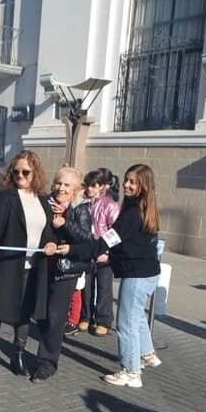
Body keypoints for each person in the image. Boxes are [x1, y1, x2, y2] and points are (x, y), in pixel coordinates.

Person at [58, 164, 162, 388]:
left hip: (137, 276)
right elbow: (127, 244)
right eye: (126, 180)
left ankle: (131, 372)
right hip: (146, 273)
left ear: (144, 185)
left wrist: (72, 250)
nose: (126, 184)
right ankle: (147, 354)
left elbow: (105, 242)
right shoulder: (137, 207)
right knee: (137, 316)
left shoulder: (132, 214)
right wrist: (108, 253)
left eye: (132, 182)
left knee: (126, 324)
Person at [0, 150, 57, 381]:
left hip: (33, 266)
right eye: (16, 172)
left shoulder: (43, 200)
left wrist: (52, 242)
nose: (20, 176)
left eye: (25, 172)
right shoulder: (7, 196)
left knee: (23, 314)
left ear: (35, 173)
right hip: (7, 264)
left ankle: (18, 355)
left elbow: (50, 231)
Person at [30, 167, 93, 381]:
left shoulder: (80, 210)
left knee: (56, 317)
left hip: (66, 270)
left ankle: (47, 363)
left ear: (75, 189)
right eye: (58, 183)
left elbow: (87, 240)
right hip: (42, 265)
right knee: (41, 314)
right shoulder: (44, 203)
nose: (61, 188)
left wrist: (65, 225)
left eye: (67, 185)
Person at [75, 169, 120, 336]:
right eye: (88, 186)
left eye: (94, 186)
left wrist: (107, 252)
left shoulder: (110, 204)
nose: (90, 189)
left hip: (104, 252)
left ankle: (104, 320)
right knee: (86, 285)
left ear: (102, 186)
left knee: (104, 286)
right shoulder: (85, 204)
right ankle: (86, 316)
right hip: (87, 250)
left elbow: (116, 230)